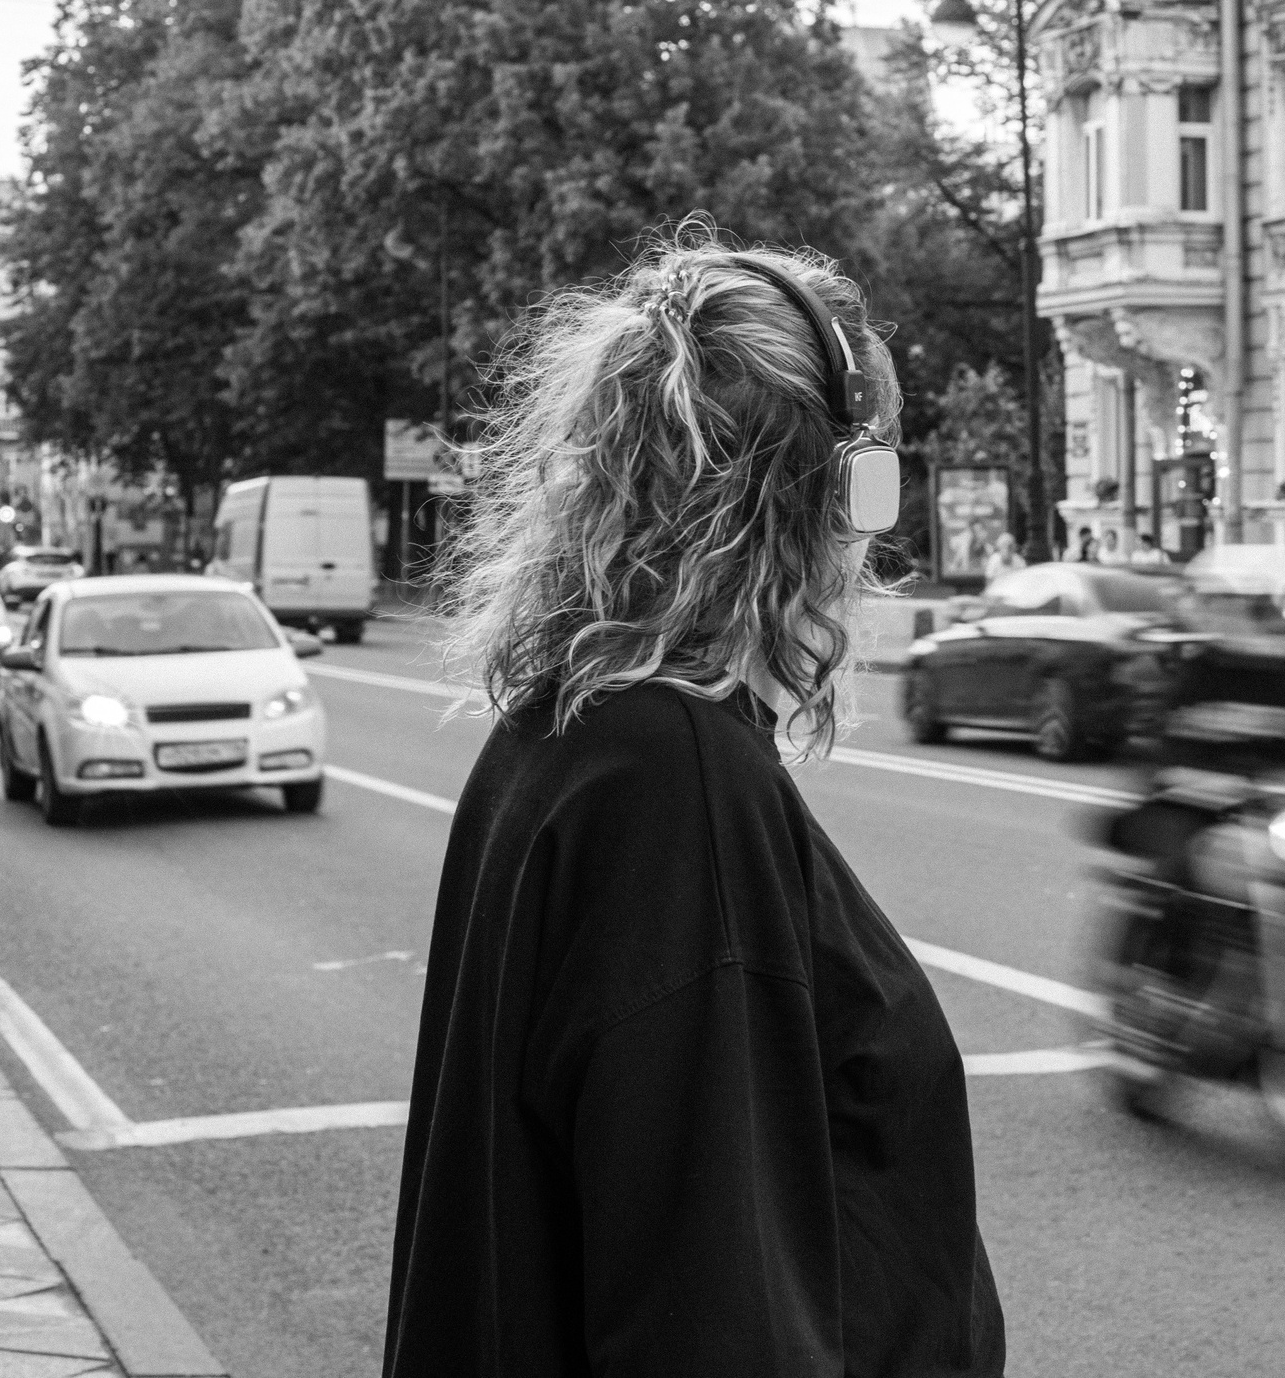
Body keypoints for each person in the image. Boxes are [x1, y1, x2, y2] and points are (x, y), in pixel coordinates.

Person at [383, 234, 1005, 1376]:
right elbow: (712, 1312)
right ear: (802, 495)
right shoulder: (683, 788)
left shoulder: (563, 730)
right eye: (875, 483)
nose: (872, 540)